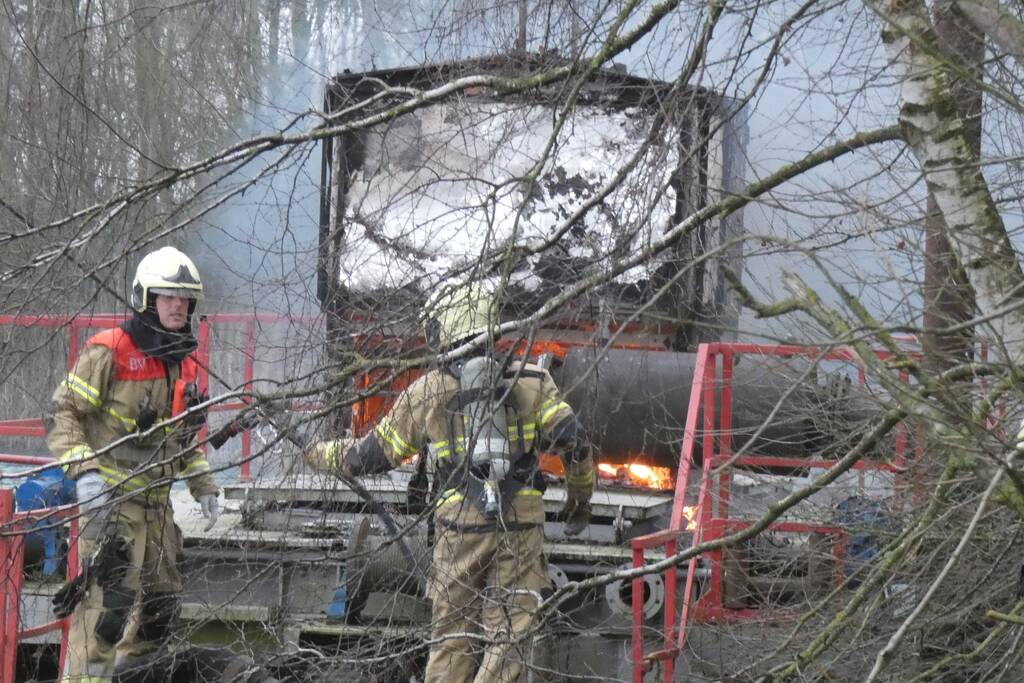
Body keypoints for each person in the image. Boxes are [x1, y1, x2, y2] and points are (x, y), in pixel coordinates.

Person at [304, 282, 595, 683]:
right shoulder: (533, 379)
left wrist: (316, 454)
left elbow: (369, 456)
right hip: (520, 525)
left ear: (441, 330)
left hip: (459, 527)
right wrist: (579, 500)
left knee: (452, 637)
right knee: (508, 637)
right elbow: (575, 442)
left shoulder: (428, 390)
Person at [47, 246, 220, 682]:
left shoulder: (181, 362)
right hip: (113, 511)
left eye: (185, 298)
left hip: (158, 511)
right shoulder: (108, 352)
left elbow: (180, 437)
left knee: (159, 615)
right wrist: (85, 474)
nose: (178, 305)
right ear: (146, 298)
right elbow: (64, 415)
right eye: (168, 296)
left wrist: (203, 485)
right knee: (105, 620)